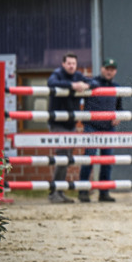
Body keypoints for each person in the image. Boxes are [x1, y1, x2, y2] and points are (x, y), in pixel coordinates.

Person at [46, 53, 90, 203]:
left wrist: (86, 86)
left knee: (67, 159)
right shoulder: (57, 74)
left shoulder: (79, 75)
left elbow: (94, 83)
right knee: (63, 158)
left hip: (71, 124)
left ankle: (59, 191)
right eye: (69, 63)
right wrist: (73, 86)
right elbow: (50, 83)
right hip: (58, 123)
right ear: (63, 64)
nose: (71, 66)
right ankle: (54, 193)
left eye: (74, 63)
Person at [78, 58, 122, 203]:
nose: (109, 71)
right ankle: (83, 191)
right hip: (92, 125)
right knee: (89, 158)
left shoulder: (117, 87)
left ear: (115, 71)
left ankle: (104, 192)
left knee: (107, 161)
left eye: (112, 69)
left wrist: (119, 116)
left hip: (109, 127)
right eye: (107, 68)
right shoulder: (92, 84)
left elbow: (120, 108)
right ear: (102, 69)